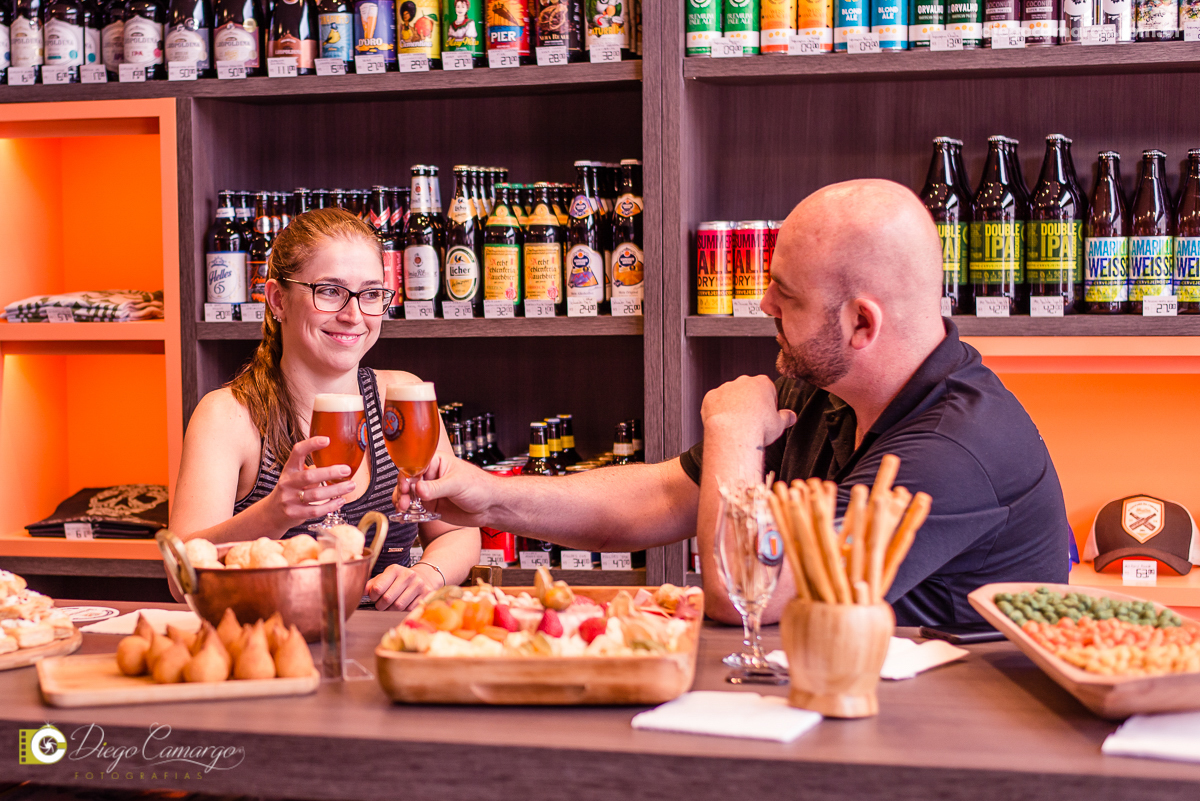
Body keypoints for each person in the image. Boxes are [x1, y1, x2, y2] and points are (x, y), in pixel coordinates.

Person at [397, 180, 1071, 627]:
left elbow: (747, 595)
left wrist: (733, 434)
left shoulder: (956, 450)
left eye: (787, 294)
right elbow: (661, 497)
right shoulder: (828, 387)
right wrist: (493, 497)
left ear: (863, 325)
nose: (764, 305)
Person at [171, 208, 480, 611]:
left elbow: (457, 531)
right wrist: (274, 513)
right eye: (331, 291)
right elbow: (180, 576)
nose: (354, 316)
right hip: (272, 652)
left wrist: (425, 575)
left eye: (371, 294)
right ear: (278, 299)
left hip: (385, 651)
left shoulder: (402, 395)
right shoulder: (229, 415)